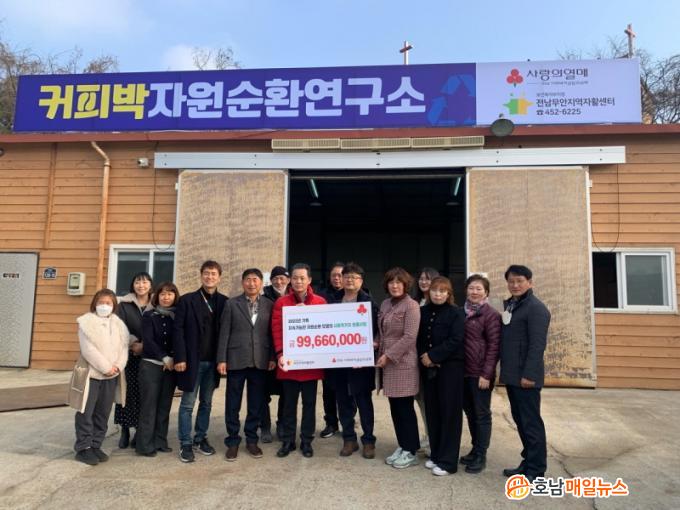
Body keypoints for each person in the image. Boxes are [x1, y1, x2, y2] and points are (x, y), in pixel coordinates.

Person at [217, 268, 276, 461]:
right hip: (236, 359)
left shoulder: (269, 304)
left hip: (260, 359)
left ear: (261, 283)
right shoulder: (231, 304)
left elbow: (272, 333)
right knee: (232, 403)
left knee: (256, 402)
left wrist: (272, 357)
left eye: (255, 280)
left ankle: (252, 440)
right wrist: (222, 359)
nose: (251, 283)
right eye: (248, 280)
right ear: (243, 283)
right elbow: (224, 332)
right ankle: (233, 441)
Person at [500, 265, 551, 483]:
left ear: (530, 282)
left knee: (531, 423)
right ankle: (528, 461)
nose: (515, 285)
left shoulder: (536, 308)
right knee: (520, 420)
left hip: (526, 378)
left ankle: (536, 469)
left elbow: (537, 346)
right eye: (511, 281)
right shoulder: (512, 305)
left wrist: (529, 375)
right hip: (513, 375)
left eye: (520, 281)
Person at [173, 260, 228, 463]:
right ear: (201, 275)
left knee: (206, 403)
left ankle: (200, 438)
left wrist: (224, 359)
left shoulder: (225, 302)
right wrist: (180, 357)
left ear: (219, 277)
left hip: (213, 363)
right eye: (206, 273)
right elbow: (178, 330)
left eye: (213, 274)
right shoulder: (187, 300)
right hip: (192, 361)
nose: (210, 277)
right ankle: (185, 443)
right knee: (187, 404)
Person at [68, 289, 129, 465]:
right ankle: (83, 447)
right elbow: (88, 350)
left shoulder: (119, 325)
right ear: (95, 303)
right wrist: (106, 367)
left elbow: (124, 348)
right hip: (91, 375)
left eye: (108, 303)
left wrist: (117, 366)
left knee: (103, 412)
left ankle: (95, 445)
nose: (104, 306)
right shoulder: (86, 322)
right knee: (86, 412)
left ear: (113, 305)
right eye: (101, 302)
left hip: (112, 376)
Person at [271, 263, 326, 458]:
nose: (298, 281)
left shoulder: (320, 302)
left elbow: (325, 330)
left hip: (311, 365)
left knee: (309, 405)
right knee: (288, 405)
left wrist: (307, 314)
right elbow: (276, 330)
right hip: (290, 364)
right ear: (290, 280)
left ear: (309, 280)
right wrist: (280, 354)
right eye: (295, 278)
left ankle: (306, 441)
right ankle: (288, 441)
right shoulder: (282, 302)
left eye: (302, 278)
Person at [325, 262, 378, 459]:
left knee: (364, 402)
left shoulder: (369, 303)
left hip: (361, 363)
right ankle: (349, 439)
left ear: (361, 281)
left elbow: (378, 330)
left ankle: (369, 441)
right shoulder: (331, 301)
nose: (349, 280)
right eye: (346, 276)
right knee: (343, 402)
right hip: (338, 362)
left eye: (354, 277)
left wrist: (375, 342)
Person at [417, 277, 465, 476]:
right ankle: (436, 455)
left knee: (449, 415)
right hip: (428, 369)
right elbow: (418, 338)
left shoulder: (456, 313)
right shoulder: (423, 311)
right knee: (433, 412)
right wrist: (425, 357)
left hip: (450, 370)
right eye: (435, 290)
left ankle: (448, 462)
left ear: (448, 293)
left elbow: (456, 339)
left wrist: (434, 356)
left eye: (442, 291)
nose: (438, 294)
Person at [377, 267, 421, 469]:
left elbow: (410, 337)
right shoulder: (386, 303)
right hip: (387, 364)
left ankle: (411, 451)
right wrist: (376, 342)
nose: (394, 286)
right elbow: (382, 332)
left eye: (398, 282)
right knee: (395, 408)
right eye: (391, 282)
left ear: (405, 285)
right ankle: (403, 445)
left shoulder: (411, 306)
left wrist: (388, 355)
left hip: (403, 364)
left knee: (405, 409)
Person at [460, 274, 501, 474]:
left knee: (482, 414)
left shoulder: (490, 315)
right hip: (463, 372)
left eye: (479, 289)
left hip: (480, 374)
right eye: (471, 288)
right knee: (470, 412)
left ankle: (481, 455)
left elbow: (494, 346)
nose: (474, 292)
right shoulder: (462, 312)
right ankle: (475, 449)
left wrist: (487, 374)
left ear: (486, 292)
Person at [135, 282, 179, 457]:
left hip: (170, 368)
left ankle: (160, 441)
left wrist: (175, 357)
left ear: (175, 296)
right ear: (157, 296)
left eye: (170, 294)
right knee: (149, 406)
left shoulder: (177, 316)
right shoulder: (149, 316)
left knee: (164, 406)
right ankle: (144, 445)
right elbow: (149, 340)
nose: (166, 297)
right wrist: (164, 357)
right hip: (151, 365)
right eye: (162, 294)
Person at [115, 272, 154, 449]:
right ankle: (124, 430)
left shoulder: (156, 303)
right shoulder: (124, 304)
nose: (141, 285)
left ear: (150, 285)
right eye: (138, 282)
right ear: (133, 285)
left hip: (150, 354)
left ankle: (139, 429)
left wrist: (145, 345)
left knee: (143, 393)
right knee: (126, 392)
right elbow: (119, 327)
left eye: (145, 282)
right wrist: (133, 343)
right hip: (128, 355)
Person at [259, 265, 290, 442]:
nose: (279, 282)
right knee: (263, 393)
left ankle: (282, 425)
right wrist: (272, 355)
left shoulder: (294, 297)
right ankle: (264, 426)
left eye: (282, 278)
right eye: (275, 279)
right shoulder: (264, 299)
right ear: (270, 281)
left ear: (288, 280)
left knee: (286, 393)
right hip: (267, 354)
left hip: (288, 354)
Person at [317, 261, 345, 438]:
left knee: (346, 391)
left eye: (340, 275)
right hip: (326, 351)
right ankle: (331, 423)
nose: (337, 278)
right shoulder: (322, 295)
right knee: (328, 390)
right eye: (334, 275)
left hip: (347, 352)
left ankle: (347, 423)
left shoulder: (355, 295)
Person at [414, 267, 439, 452]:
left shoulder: (438, 304)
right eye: (421, 278)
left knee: (432, 403)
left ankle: (434, 439)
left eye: (428, 279)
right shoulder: (415, 302)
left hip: (431, 361)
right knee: (421, 400)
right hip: (415, 360)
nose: (424, 282)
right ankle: (429, 435)